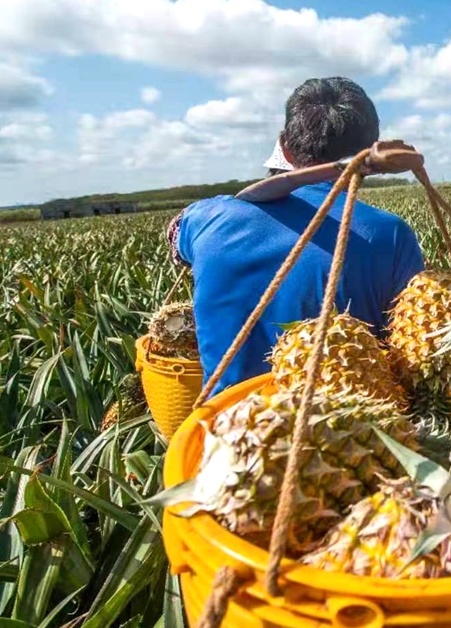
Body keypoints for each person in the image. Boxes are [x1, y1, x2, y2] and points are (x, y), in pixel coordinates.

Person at [166, 77, 425, 397]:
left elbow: (175, 238)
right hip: (348, 436)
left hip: (224, 432)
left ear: (284, 148)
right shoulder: (390, 234)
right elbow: (412, 353)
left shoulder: (205, 218)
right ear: (370, 152)